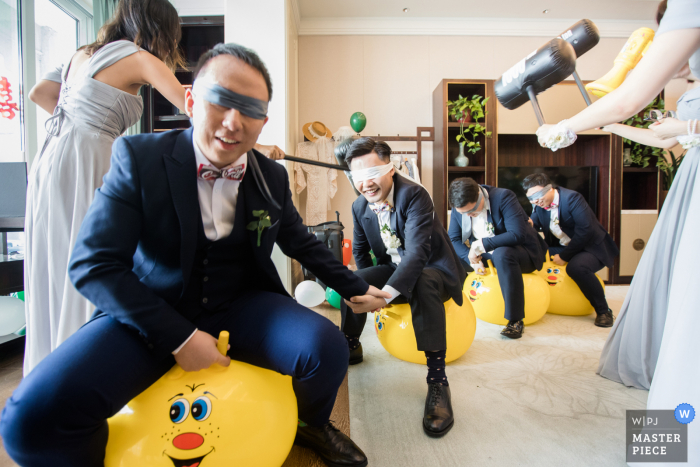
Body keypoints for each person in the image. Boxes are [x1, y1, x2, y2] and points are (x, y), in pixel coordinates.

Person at [1, 43, 389, 467]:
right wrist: (180, 338)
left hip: (241, 305)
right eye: (220, 101)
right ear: (190, 100)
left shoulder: (272, 176)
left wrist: (354, 287)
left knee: (327, 349)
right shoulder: (138, 157)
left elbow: (298, 241)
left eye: (250, 109)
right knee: (29, 421)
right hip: (150, 311)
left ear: (263, 121)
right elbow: (92, 265)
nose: (233, 122)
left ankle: (311, 423)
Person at [536, 0, 700, 461]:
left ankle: (676, 441)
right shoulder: (689, 84)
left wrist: (566, 126)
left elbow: (633, 97)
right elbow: (662, 137)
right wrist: (607, 125)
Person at [340, 137, 466, 438]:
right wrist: (365, 284)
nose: (366, 184)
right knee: (353, 278)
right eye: (358, 178)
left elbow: (418, 254)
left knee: (421, 279)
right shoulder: (360, 205)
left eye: (372, 175)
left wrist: (384, 298)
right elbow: (361, 252)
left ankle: (438, 381)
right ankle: (350, 342)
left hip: (434, 268)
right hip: (396, 266)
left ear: (390, 168)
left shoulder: (415, 195)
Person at [447, 177, 547, 339]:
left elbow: (517, 234)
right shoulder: (460, 205)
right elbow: (453, 238)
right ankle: (455, 307)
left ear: (480, 195)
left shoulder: (504, 197)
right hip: (485, 254)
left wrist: (478, 246)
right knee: (447, 254)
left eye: (471, 211)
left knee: (502, 253)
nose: (468, 216)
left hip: (520, 252)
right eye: (463, 213)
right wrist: (472, 260)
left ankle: (515, 320)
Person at [522, 173, 618, 327]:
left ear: (549, 188)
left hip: (590, 246)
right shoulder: (539, 205)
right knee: (529, 255)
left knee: (577, 268)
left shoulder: (572, 198)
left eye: (538, 195)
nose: (535, 200)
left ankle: (604, 311)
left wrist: (565, 256)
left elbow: (585, 231)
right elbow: (533, 225)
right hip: (563, 245)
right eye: (531, 198)